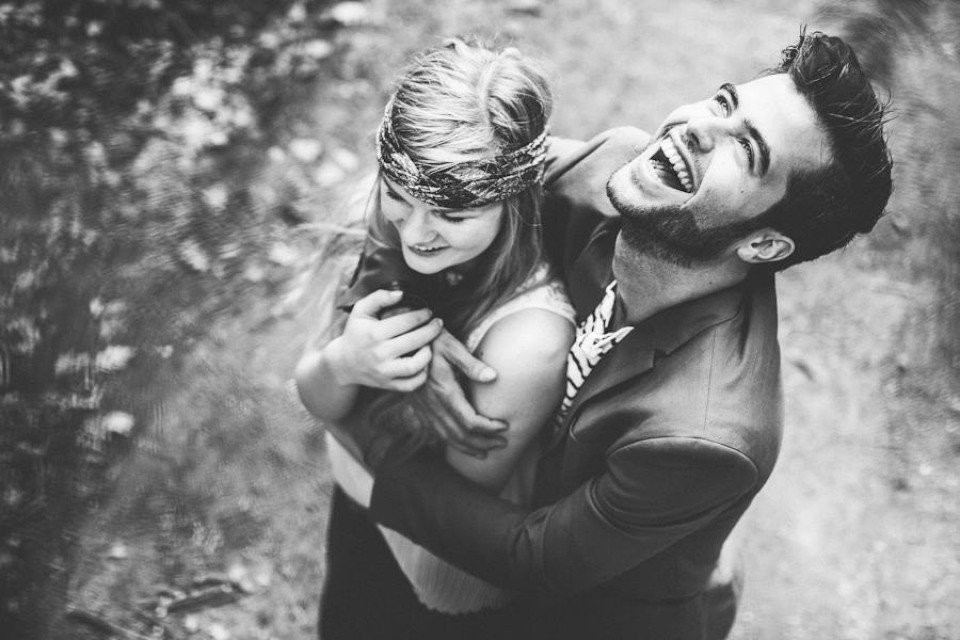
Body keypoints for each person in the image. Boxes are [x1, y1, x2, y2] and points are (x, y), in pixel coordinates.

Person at [325, 30, 894, 639]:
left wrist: (362, 442)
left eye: (747, 150)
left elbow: (536, 557)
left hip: (595, 612)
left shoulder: (707, 434)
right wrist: (411, 314)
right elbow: (442, 180)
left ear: (763, 243)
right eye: (725, 102)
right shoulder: (613, 161)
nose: (701, 126)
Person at [294, 38, 577, 637]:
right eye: (399, 197)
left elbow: (444, 508)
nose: (416, 234)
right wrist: (346, 362)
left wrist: (403, 371)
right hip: (362, 515)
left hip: (433, 577)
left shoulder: (528, 344)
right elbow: (316, 392)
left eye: (452, 215)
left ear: (513, 198)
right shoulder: (383, 221)